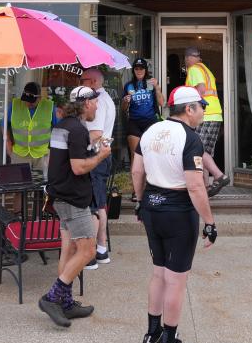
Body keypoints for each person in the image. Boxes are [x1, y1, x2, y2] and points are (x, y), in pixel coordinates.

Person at [132, 86, 216, 343]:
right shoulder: (191, 138)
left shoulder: (151, 130)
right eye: (201, 106)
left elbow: (137, 171)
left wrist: (140, 201)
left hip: (151, 209)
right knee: (176, 280)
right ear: (189, 109)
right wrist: (210, 221)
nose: (203, 111)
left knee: (158, 273)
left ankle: (153, 334)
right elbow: (195, 186)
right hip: (178, 212)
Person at [38, 85, 112, 328]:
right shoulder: (79, 130)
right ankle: (52, 298)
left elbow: (65, 160)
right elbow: (79, 168)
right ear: (85, 103)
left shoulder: (62, 126)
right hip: (72, 198)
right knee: (88, 251)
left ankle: (66, 304)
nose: (97, 105)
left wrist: (92, 149)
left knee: (68, 249)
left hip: (60, 195)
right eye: (95, 101)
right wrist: (101, 156)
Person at [80, 68, 116, 268]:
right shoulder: (104, 98)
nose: (80, 82)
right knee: (99, 203)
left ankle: (91, 254)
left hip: (95, 155)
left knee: (93, 205)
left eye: (82, 79)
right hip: (101, 155)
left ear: (93, 81)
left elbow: (95, 133)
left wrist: (76, 146)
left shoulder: (99, 102)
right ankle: (101, 249)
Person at [183, 47, 229, 197]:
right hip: (214, 114)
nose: (185, 62)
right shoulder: (206, 69)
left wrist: (188, 107)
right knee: (204, 152)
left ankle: (219, 176)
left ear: (189, 58)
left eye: (185, 59)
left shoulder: (194, 69)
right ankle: (206, 186)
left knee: (198, 150)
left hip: (205, 115)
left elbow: (201, 90)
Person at [121, 58, 164, 167]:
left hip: (151, 121)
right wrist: (125, 101)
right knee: (135, 155)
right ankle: (135, 183)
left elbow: (161, 103)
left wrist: (157, 88)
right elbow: (123, 109)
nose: (139, 71)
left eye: (141, 68)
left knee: (152, 154)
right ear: (133, 71)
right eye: (136, 68)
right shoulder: (128, 85)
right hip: (134, 122)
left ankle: (151, 182)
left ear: (146, 70)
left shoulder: (151, 83)